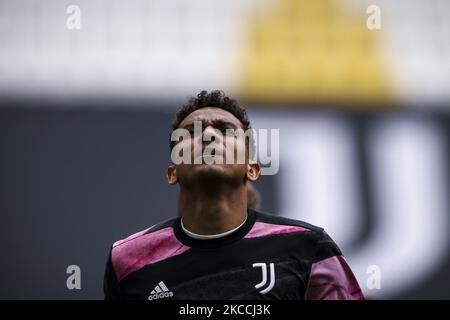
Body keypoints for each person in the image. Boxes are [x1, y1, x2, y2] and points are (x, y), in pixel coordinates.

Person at [103, 90, 364, 300]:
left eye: (226, 130)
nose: (208, 135)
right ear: (172, 173)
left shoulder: (309, 248)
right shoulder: (128, 261)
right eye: (192, 132)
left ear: (252, 169)